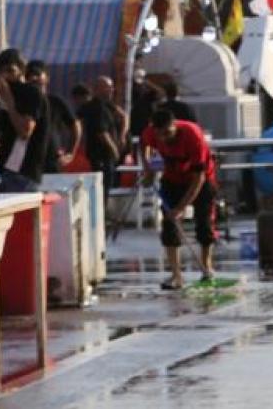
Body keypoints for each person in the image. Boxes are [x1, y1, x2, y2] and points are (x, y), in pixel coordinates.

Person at [141, 109, 219, 289]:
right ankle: (176, 275)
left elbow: (198, 178)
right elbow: (143, 144)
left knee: (204, 223)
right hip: (172, 177)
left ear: (174, 125)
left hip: (201, 178)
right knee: (169, 225)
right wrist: (148, 169)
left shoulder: (193, 135)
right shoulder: (152, 132)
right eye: (159, 135)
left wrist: (182, 207)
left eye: (167, 133)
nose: (163, 139)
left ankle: (206, 267)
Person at [0, 49, 51, 192]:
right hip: (9, 171)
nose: (5, 76)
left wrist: (8, 99)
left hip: (22, 172)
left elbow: (25, 131)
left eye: (10, 70)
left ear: (21, 70)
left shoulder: (30, 93)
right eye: (1, 72)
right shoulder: (10, 96)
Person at [25, 60, 80, 173]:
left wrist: (70, 153)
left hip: (52, 161)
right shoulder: (22, 103)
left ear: (46, 78)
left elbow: (76, 126)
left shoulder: (55, 101)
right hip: (28, 162)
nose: (34, 78)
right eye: (30, 75)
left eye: (37, 74)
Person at [79, 79, 123, 193]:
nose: (112, 90)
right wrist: (114, 149)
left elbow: (123, 116)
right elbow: (102, 132)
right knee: (103, 187)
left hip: (105, 155)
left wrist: (122, 135)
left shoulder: (106, 106)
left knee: (107, 186)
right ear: (98, 89)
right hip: (101, 154)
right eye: (108, 87)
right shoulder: (97, 108)